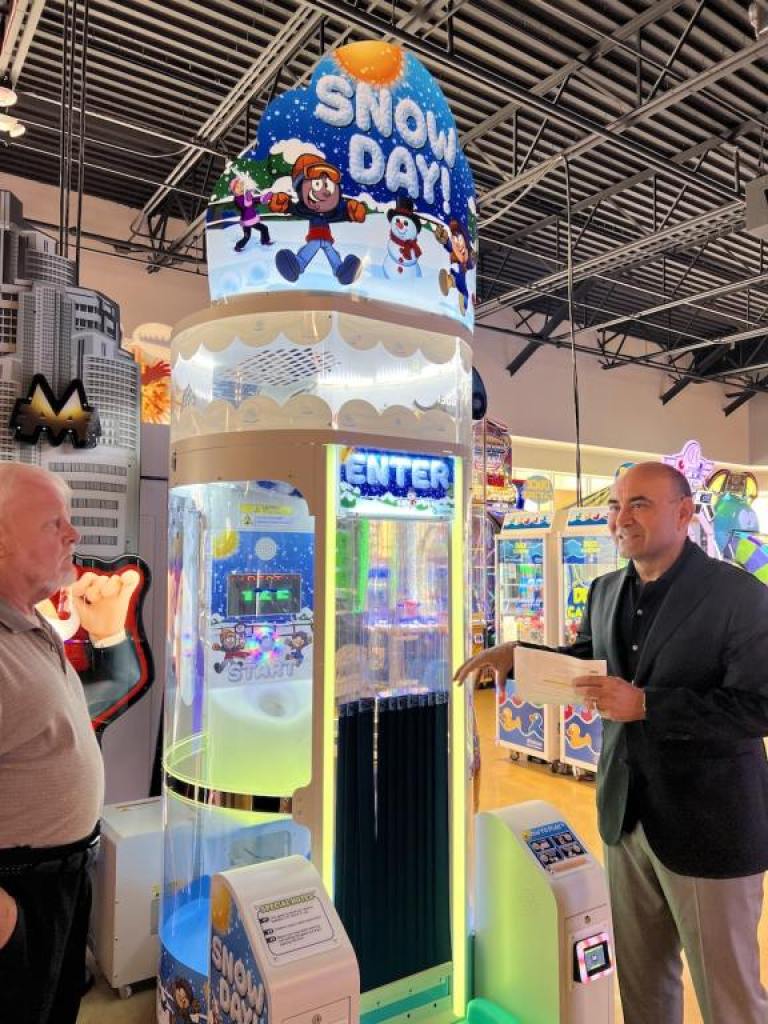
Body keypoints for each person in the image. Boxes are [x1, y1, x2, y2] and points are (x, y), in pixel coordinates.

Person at [455, 462, 768, 1024]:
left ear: (684, 512)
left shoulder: (737, 595)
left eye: (640, 504)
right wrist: (520, 655)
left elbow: (759, 705)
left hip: (710, 827)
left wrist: (647, 704)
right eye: (615, 507)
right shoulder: (605, 589)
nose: (622, 519)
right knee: (642, 987)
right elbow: (589, 664)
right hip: (625, 818)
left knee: (730, 998)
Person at [0, 464, 122, 1023]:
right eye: (55, 523)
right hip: (19, 893)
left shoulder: (32, 622)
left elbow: (64, 717)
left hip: (63, 881)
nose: (74, 535)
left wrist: (110, 633)